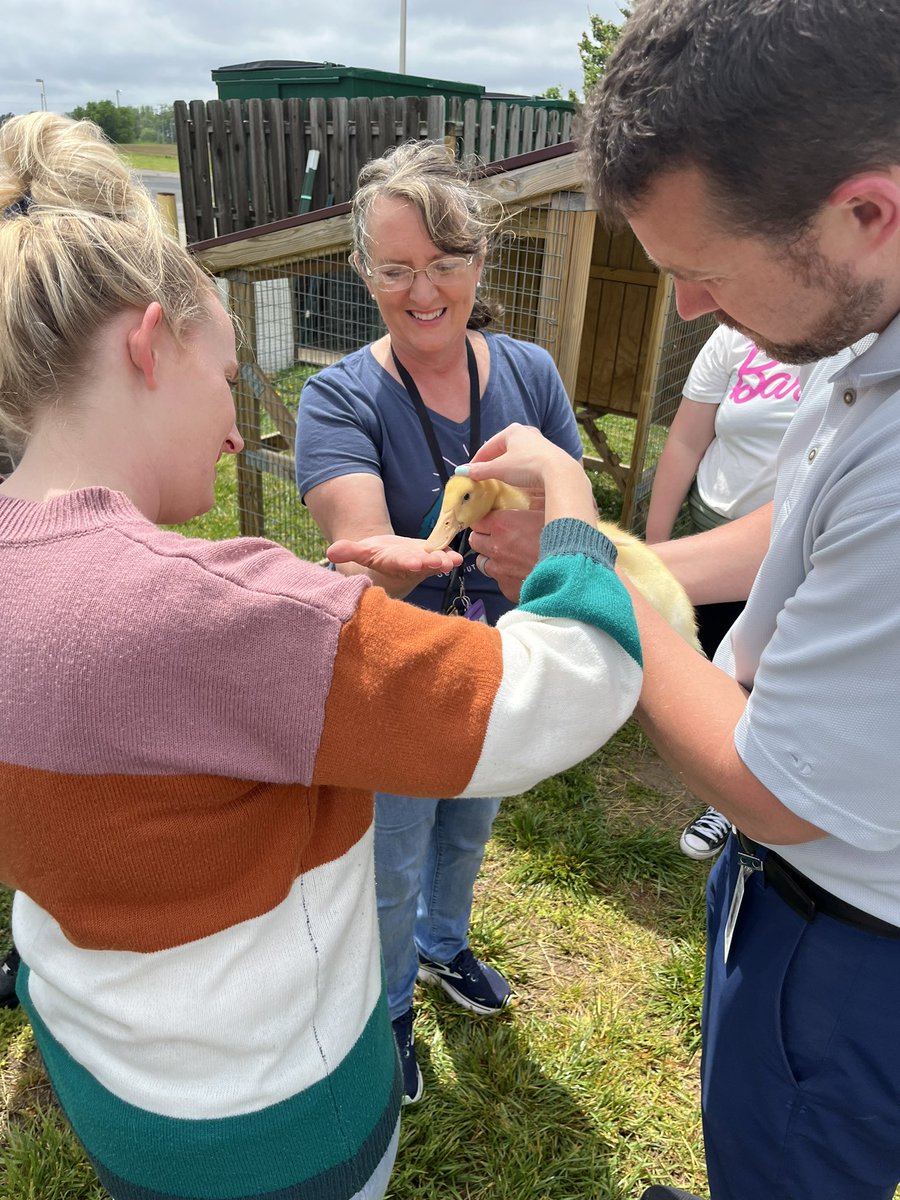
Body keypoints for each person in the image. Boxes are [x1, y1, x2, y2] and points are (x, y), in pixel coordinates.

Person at [0, 113, 645, 1200]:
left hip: (115, 1091)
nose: (233, 429)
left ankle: (441, 946)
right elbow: (571, 690)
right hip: (282, 1126)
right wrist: (574, 506)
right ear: (150, 345)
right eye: (226, 383)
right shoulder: (236, 616)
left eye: (446, 262)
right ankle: (400, 1002)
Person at [576, 2, 900, 1197]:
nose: (692, 310)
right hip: (823, 893)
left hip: (851, 930)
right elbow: (807, 525)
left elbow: (770, 785)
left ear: (865, 212)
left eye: (700, 271)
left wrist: (588, 582)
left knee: (791, 1162)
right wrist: (628, 554)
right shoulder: (864, 332)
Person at [295, 139, 585, 1105]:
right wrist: (387, 557)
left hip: (499, 663)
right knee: (391, 854)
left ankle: (442, 945)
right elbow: (358, 529)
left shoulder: (531, 372)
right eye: (396, 269)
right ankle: (384, 1015)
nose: (424, 291)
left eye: (446, 263)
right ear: (363, 272)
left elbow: (567, 502)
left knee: (467, 829)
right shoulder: (339, 396)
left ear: (479, 262)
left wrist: (551, 543)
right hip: (401, 669)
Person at [645, 326, 807, 860]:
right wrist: (653, 548)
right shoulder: (730, 340)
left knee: (767, 673)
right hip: (714, 527)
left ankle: (733, 801)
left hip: (795, 549)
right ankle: (719, 765)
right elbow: (688, 438)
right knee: (712, 660)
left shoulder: (847, 349)